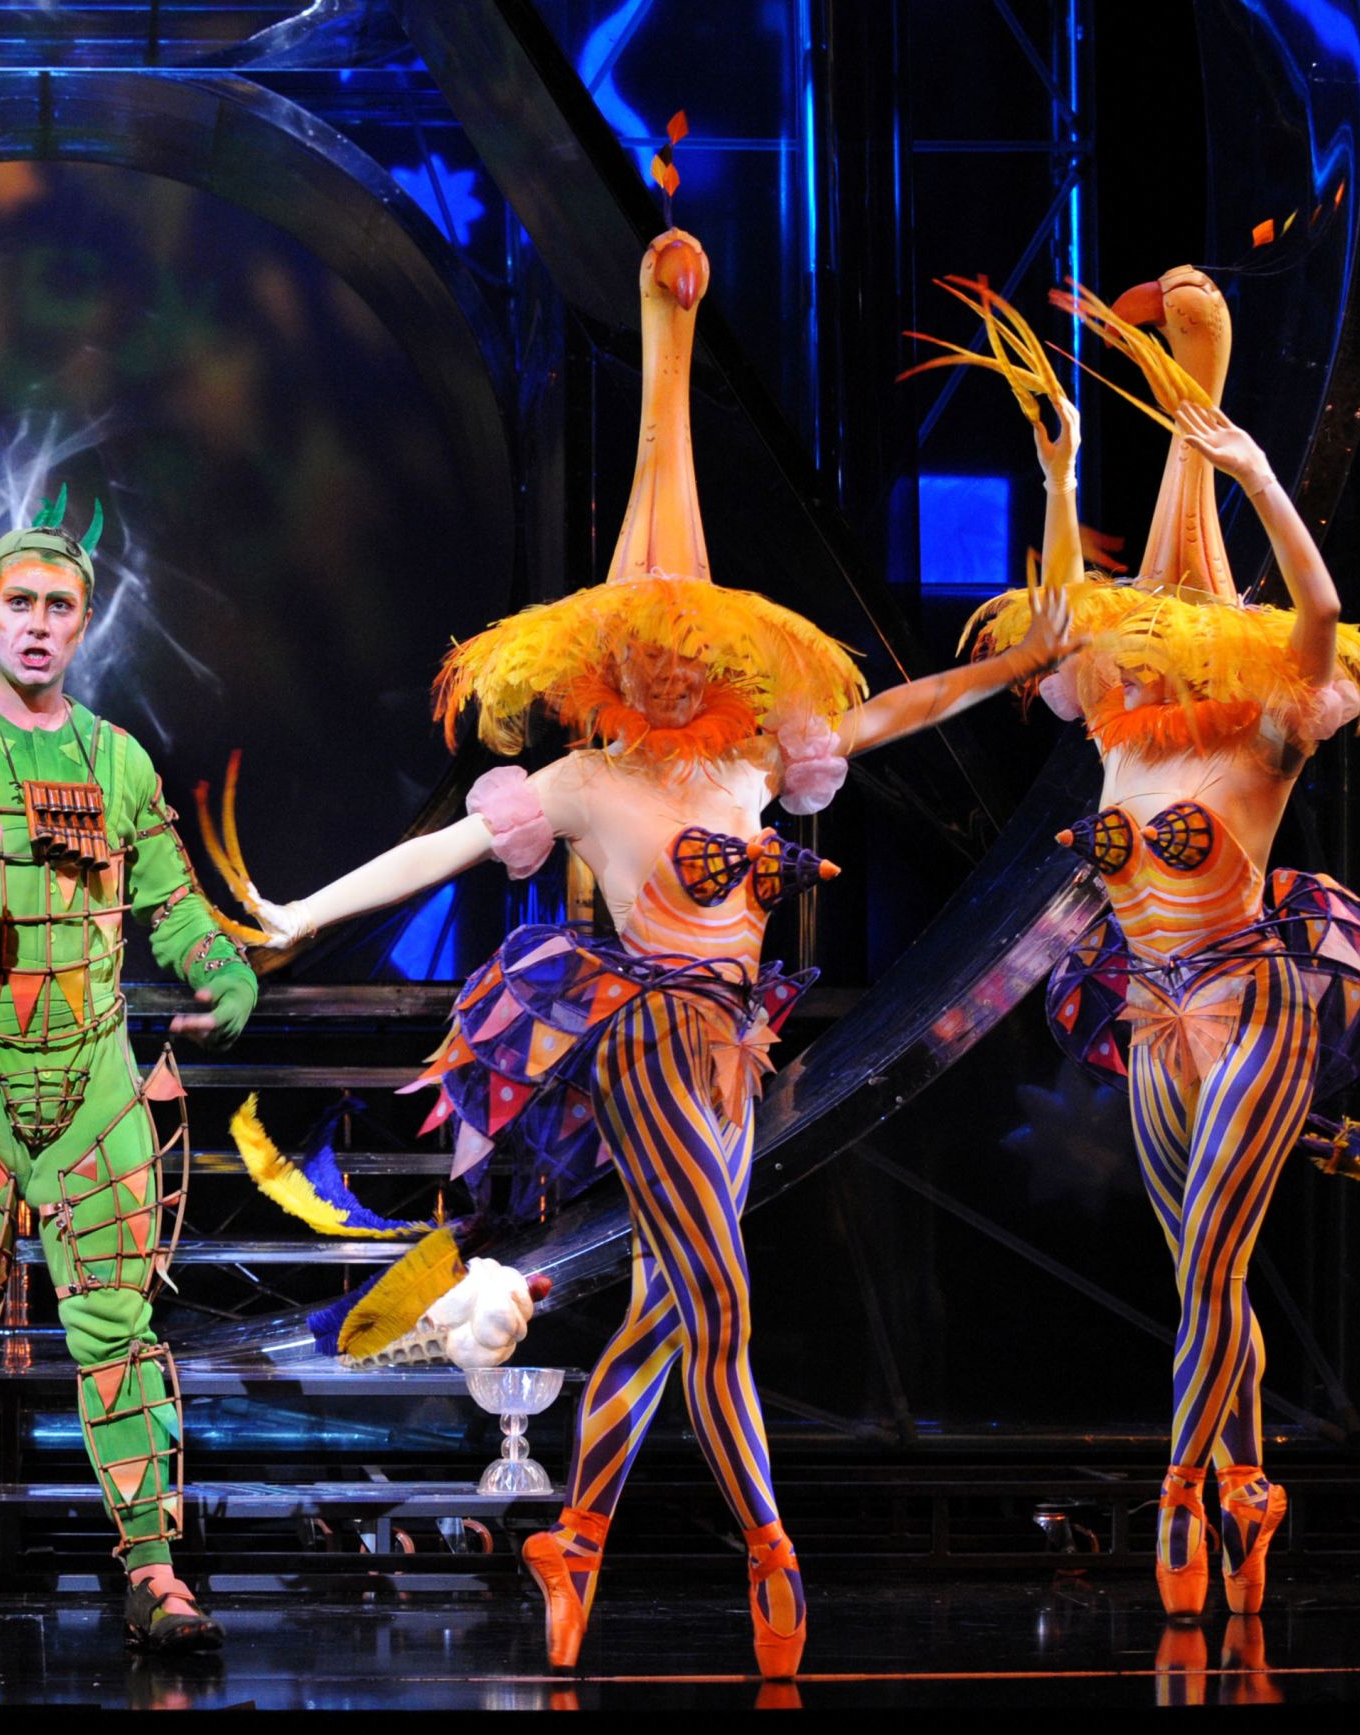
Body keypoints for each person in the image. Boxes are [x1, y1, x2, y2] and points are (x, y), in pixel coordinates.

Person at [240, 229, 1080, 1678]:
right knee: (723, 1298)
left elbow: (909, 705)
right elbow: (434, 852)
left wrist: (1022, 648)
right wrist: (302, 911)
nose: (669, 663)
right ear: (603, 666)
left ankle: (577, 1535)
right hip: (637, 1039)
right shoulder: (587, 781)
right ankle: (769, 1538)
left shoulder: (761, 754)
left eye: (690, 643)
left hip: (733, 1041)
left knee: (667, 1304)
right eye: (643, 647)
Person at [950, 267, 1360, 1620]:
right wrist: (1064, 472)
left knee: (1208, 1263)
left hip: (1257, 1007)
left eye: (1169, 646)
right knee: (1215, 1274)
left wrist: (1257, 474)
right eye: (1134, 649)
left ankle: (1183, 1490)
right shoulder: (1114, 744)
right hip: (1156, 1017)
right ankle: (1254, 1488)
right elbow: (1064, 614)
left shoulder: (1262, 734)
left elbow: (1314, 623)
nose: (1144, 659)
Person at [0, 486, 260, 1655]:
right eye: (17, 602)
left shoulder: (117, 759)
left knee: (120, 1334)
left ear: (84, 625)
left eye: (58, 606)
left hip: (93, 1079)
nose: (36, 622)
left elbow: (169, 900)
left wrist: (220, 968)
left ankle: (156, 1576)